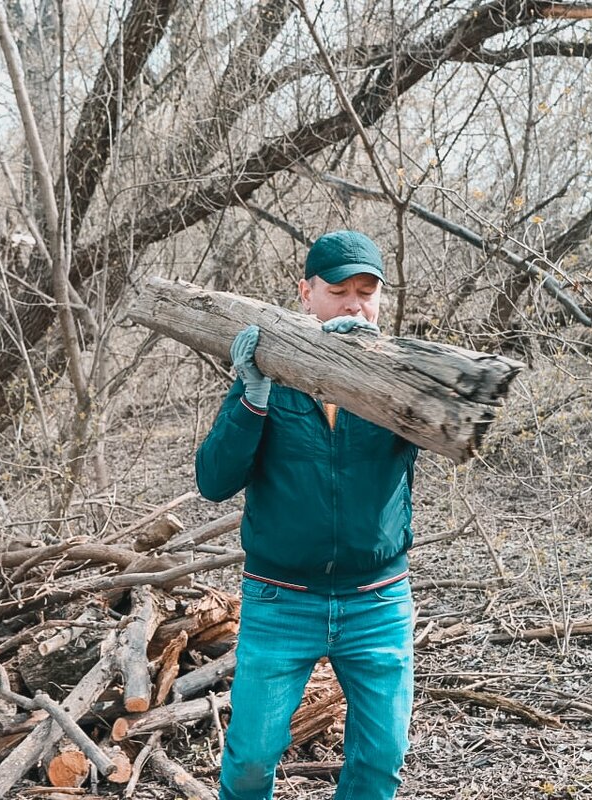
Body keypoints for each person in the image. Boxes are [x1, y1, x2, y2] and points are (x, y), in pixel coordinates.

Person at [196, 230, 418, 800]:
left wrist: (382, 373)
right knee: (249, 763)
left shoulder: (403, 378)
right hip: (280, 601)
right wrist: (252, 392)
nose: (353, 304)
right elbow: (214, 482)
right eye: (338, 290)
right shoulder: (267, 375)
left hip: (378, 601)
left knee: (380, 763)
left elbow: (460, 432)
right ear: (306, 293)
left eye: (366, 292)